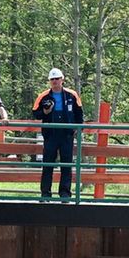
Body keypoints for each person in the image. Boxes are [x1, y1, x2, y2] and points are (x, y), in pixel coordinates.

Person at [31, 68, 83, 199]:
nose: (55, 81)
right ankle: (45, 194)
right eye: (52, 79)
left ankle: (65, 194)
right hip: (50, 134)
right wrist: (45, 112)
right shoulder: (43, 96)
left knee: (67, 165)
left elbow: (79, 113)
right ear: (49, 81)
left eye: (57, 79)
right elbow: (35, 114)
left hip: (67, 134)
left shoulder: (72, 95)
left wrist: (78, 129)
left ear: (62, 80)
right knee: (48, 164)